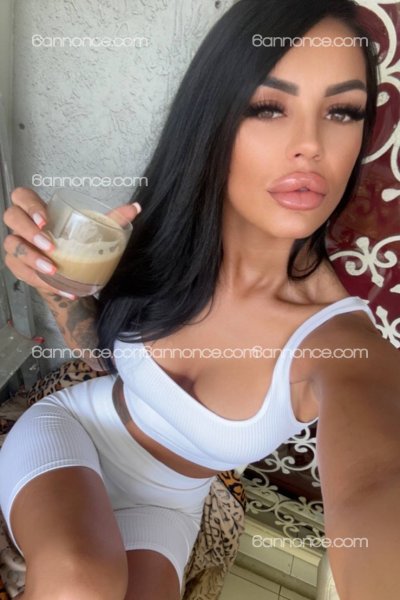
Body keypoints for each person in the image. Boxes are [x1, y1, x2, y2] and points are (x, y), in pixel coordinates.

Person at [0, 0, 399, 598]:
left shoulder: (340, 344)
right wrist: (53, 281)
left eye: (341, 112)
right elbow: (103, 357)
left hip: (168, 506)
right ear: (213, 120)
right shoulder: (158, 236)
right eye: (268, 107)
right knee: (80, 582)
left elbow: (379, 482)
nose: (310, 145)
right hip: (75, 432)